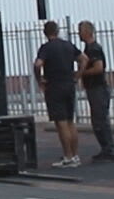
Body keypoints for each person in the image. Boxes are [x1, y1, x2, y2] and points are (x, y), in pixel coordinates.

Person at [33, 20, 81, 167]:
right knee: (70, 121)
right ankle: (75, 155)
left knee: (61, 123)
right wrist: (78, 75)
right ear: (58, 30)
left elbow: (38, 64)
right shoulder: (68, 45)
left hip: (54, 86)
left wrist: (39, 80)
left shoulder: (46, 48)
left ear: (45, 33)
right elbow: (83, 59)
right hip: (69, 84)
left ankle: (67, 156)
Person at [77, 20, 114, 163]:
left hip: (97, 88)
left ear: (87, 32)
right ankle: (105, 148)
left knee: (100, 120)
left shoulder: (94, 49)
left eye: (80, 30)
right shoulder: (89, 48)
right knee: (98, 119)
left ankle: (108, 150)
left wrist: (82, 73)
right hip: (94, 88)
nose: (78, 33)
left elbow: (99, 68)